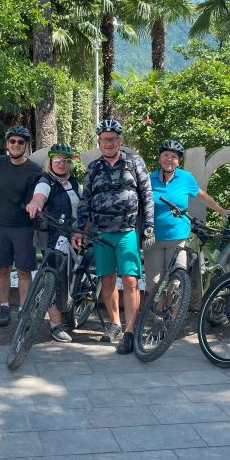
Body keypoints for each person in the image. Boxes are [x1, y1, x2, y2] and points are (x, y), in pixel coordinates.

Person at [72, 118, 154, 355]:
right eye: (103, 139)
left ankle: (130, 331)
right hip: (100, 233)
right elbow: (85, 200)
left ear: (120, 140)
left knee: (130, 280)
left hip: (127, 231)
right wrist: (80, 228)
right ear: (98, 141)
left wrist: (148, 225)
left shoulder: (134, 162)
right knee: (107, 280)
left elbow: (146, 195)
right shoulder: (94, 168)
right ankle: (115, 324)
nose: (108, 143)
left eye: (112, 139)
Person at [144, 140, 230, 300]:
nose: (169, 159)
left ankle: (172, 319)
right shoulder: (148, 179)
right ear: (159, 158)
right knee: (154, 284)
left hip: (179, 238)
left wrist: (222, 210)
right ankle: (156, 315)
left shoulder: (185, 178)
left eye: (174, 157)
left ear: (179, 161)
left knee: (176, 282)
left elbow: (202, 195)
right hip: (154, 239)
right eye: (166, 155)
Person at [26, 143, 81, 343]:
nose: (62, 164)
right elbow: (39, 196)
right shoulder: (46, 181)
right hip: (53, 238)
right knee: (54, 279)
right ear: (50, 160)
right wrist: (35, 203)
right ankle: (56, 325)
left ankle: (70, 309)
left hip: (75, 235)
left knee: (73, 275)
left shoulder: (73, 182)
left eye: (66, 160)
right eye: (57, 159)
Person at [0, 125, 42, 326]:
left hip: (23, 227)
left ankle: (24, 310)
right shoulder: (0, 163)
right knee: (2, 269)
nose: (16, 145)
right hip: (0, 225)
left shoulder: (34, 169)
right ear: (7, 144)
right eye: (12, 141)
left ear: (26, 145)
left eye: (21, 142)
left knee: (23, 271)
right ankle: (3, 307)